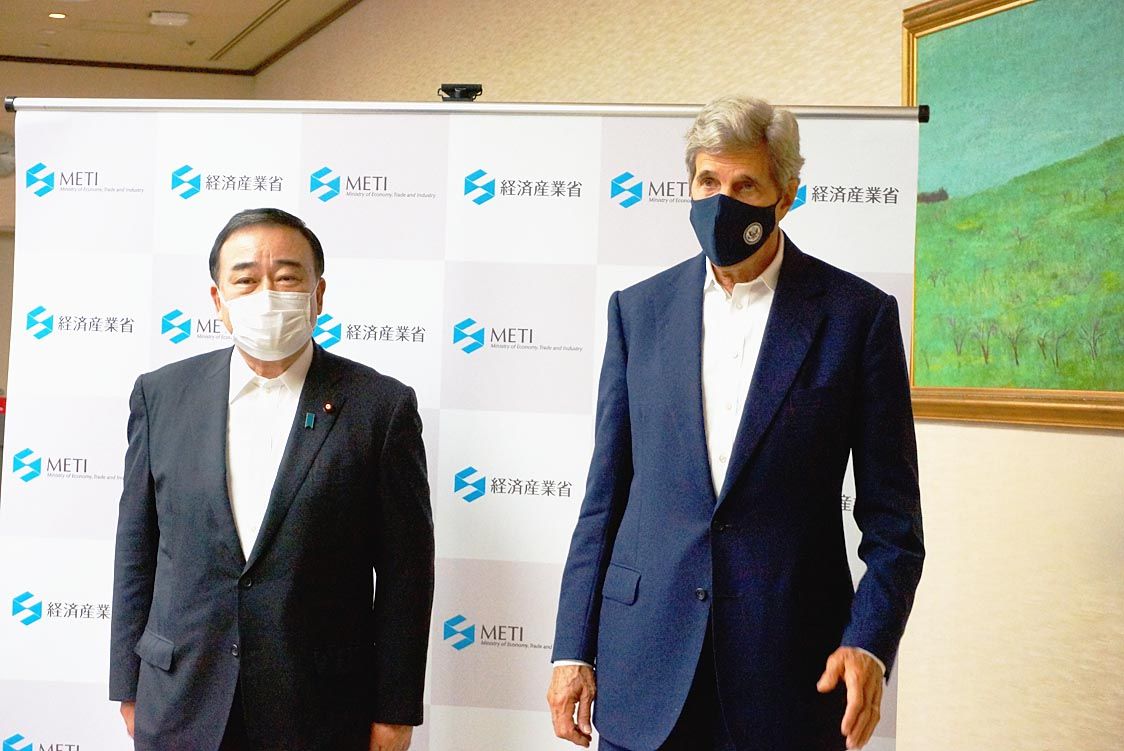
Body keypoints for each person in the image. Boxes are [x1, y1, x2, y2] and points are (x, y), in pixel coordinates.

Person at [548, 96, 924, 751]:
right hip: (643, 671)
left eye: (746, 185)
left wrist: (869, 641)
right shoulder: (637, 313)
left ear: (787, 195)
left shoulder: (856, 318)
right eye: (708, 182)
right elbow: (605, 498)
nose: (723, 201)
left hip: (789, 679)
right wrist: (570, 648)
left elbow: (895, 526)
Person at [109, 208, 434, 751]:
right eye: (245, 280)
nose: (266, 295)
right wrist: (127, 684)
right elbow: (137, 549)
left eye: (286, 278)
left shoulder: (380, 407)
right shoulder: (160, 396)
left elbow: (407, 573)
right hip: (180, 698)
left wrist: (394, 709)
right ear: (218, 300)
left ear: (318, 294)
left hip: (320, 707)